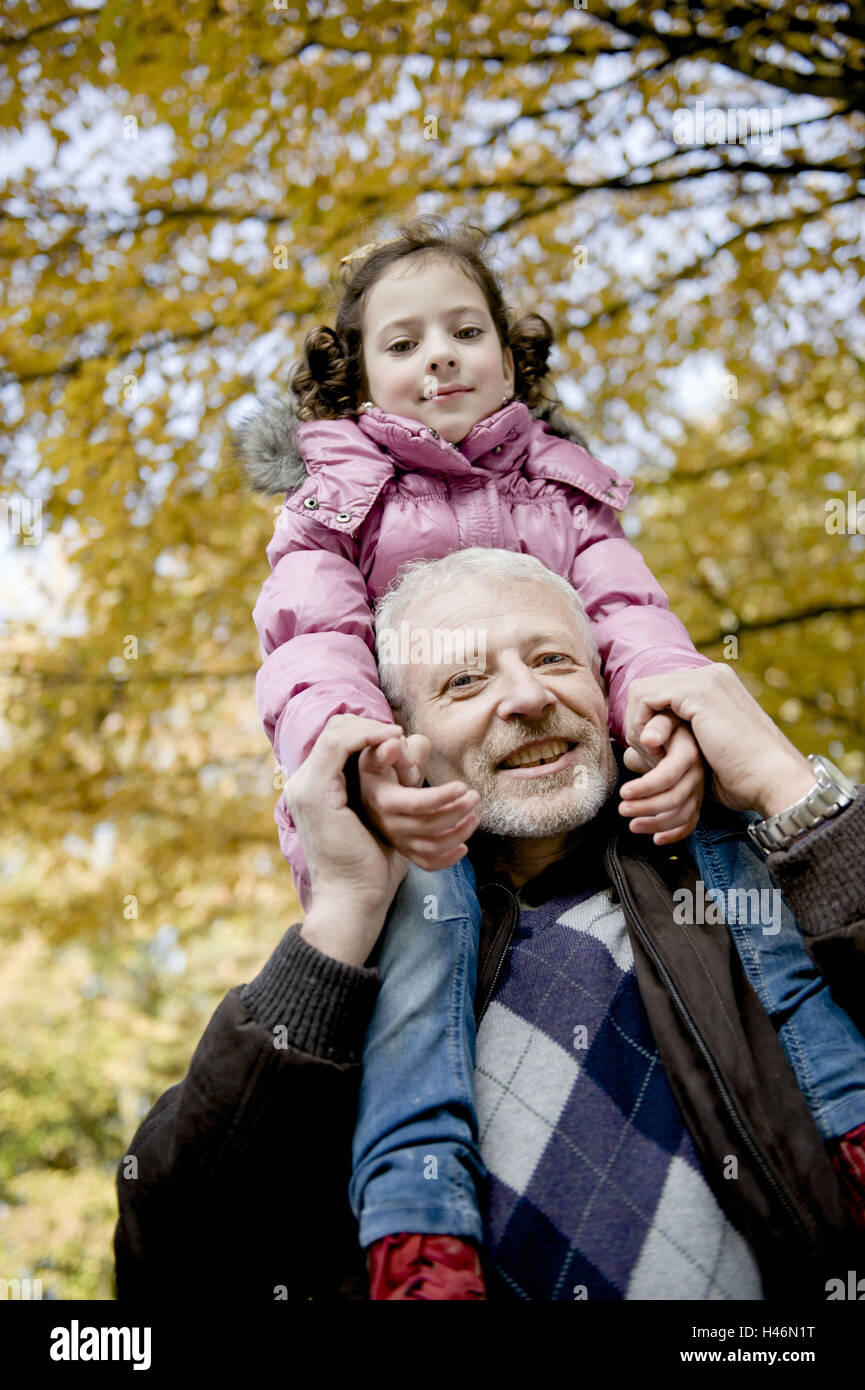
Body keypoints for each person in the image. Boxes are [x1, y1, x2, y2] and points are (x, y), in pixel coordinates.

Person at [234, 217, 865, 1294]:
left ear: (510, 357)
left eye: (464, 329)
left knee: (745, 902)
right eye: (402, 342)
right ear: (354, 384)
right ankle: (418, 1224)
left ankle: (846, 1115)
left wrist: (667, 717)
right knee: (415, 982)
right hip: (428, 800)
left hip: (606, 783)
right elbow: (314, 645)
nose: (438, 354)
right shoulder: (334, 503)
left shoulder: (558, 485)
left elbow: (628, 615)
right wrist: (358, 760)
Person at [115, 553, 865, 1302]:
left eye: (551, 659)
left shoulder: (753, 887)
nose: (528, 696)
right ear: (401, 737)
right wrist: (343, 913)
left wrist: (787, 787)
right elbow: (172, 1258)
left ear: (607, 693)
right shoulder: (370, 981)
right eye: (463, 681)